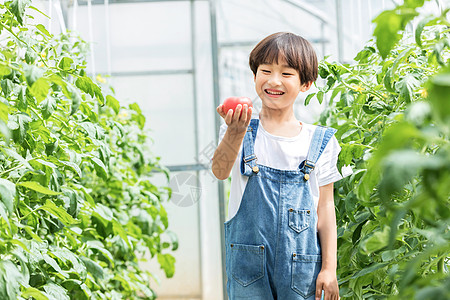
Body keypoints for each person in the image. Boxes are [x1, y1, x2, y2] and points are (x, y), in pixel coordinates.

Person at [212, 32, 350, 300]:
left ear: (306, 84)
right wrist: (234, 133)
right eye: (265, 71)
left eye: (287, 74)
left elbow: (325, 208)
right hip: (247, 268)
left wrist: (329, 269)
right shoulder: (239, 129)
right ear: (254, 77)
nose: (273, 81)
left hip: (303, 270)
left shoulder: (320, 141)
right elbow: (220, 171)